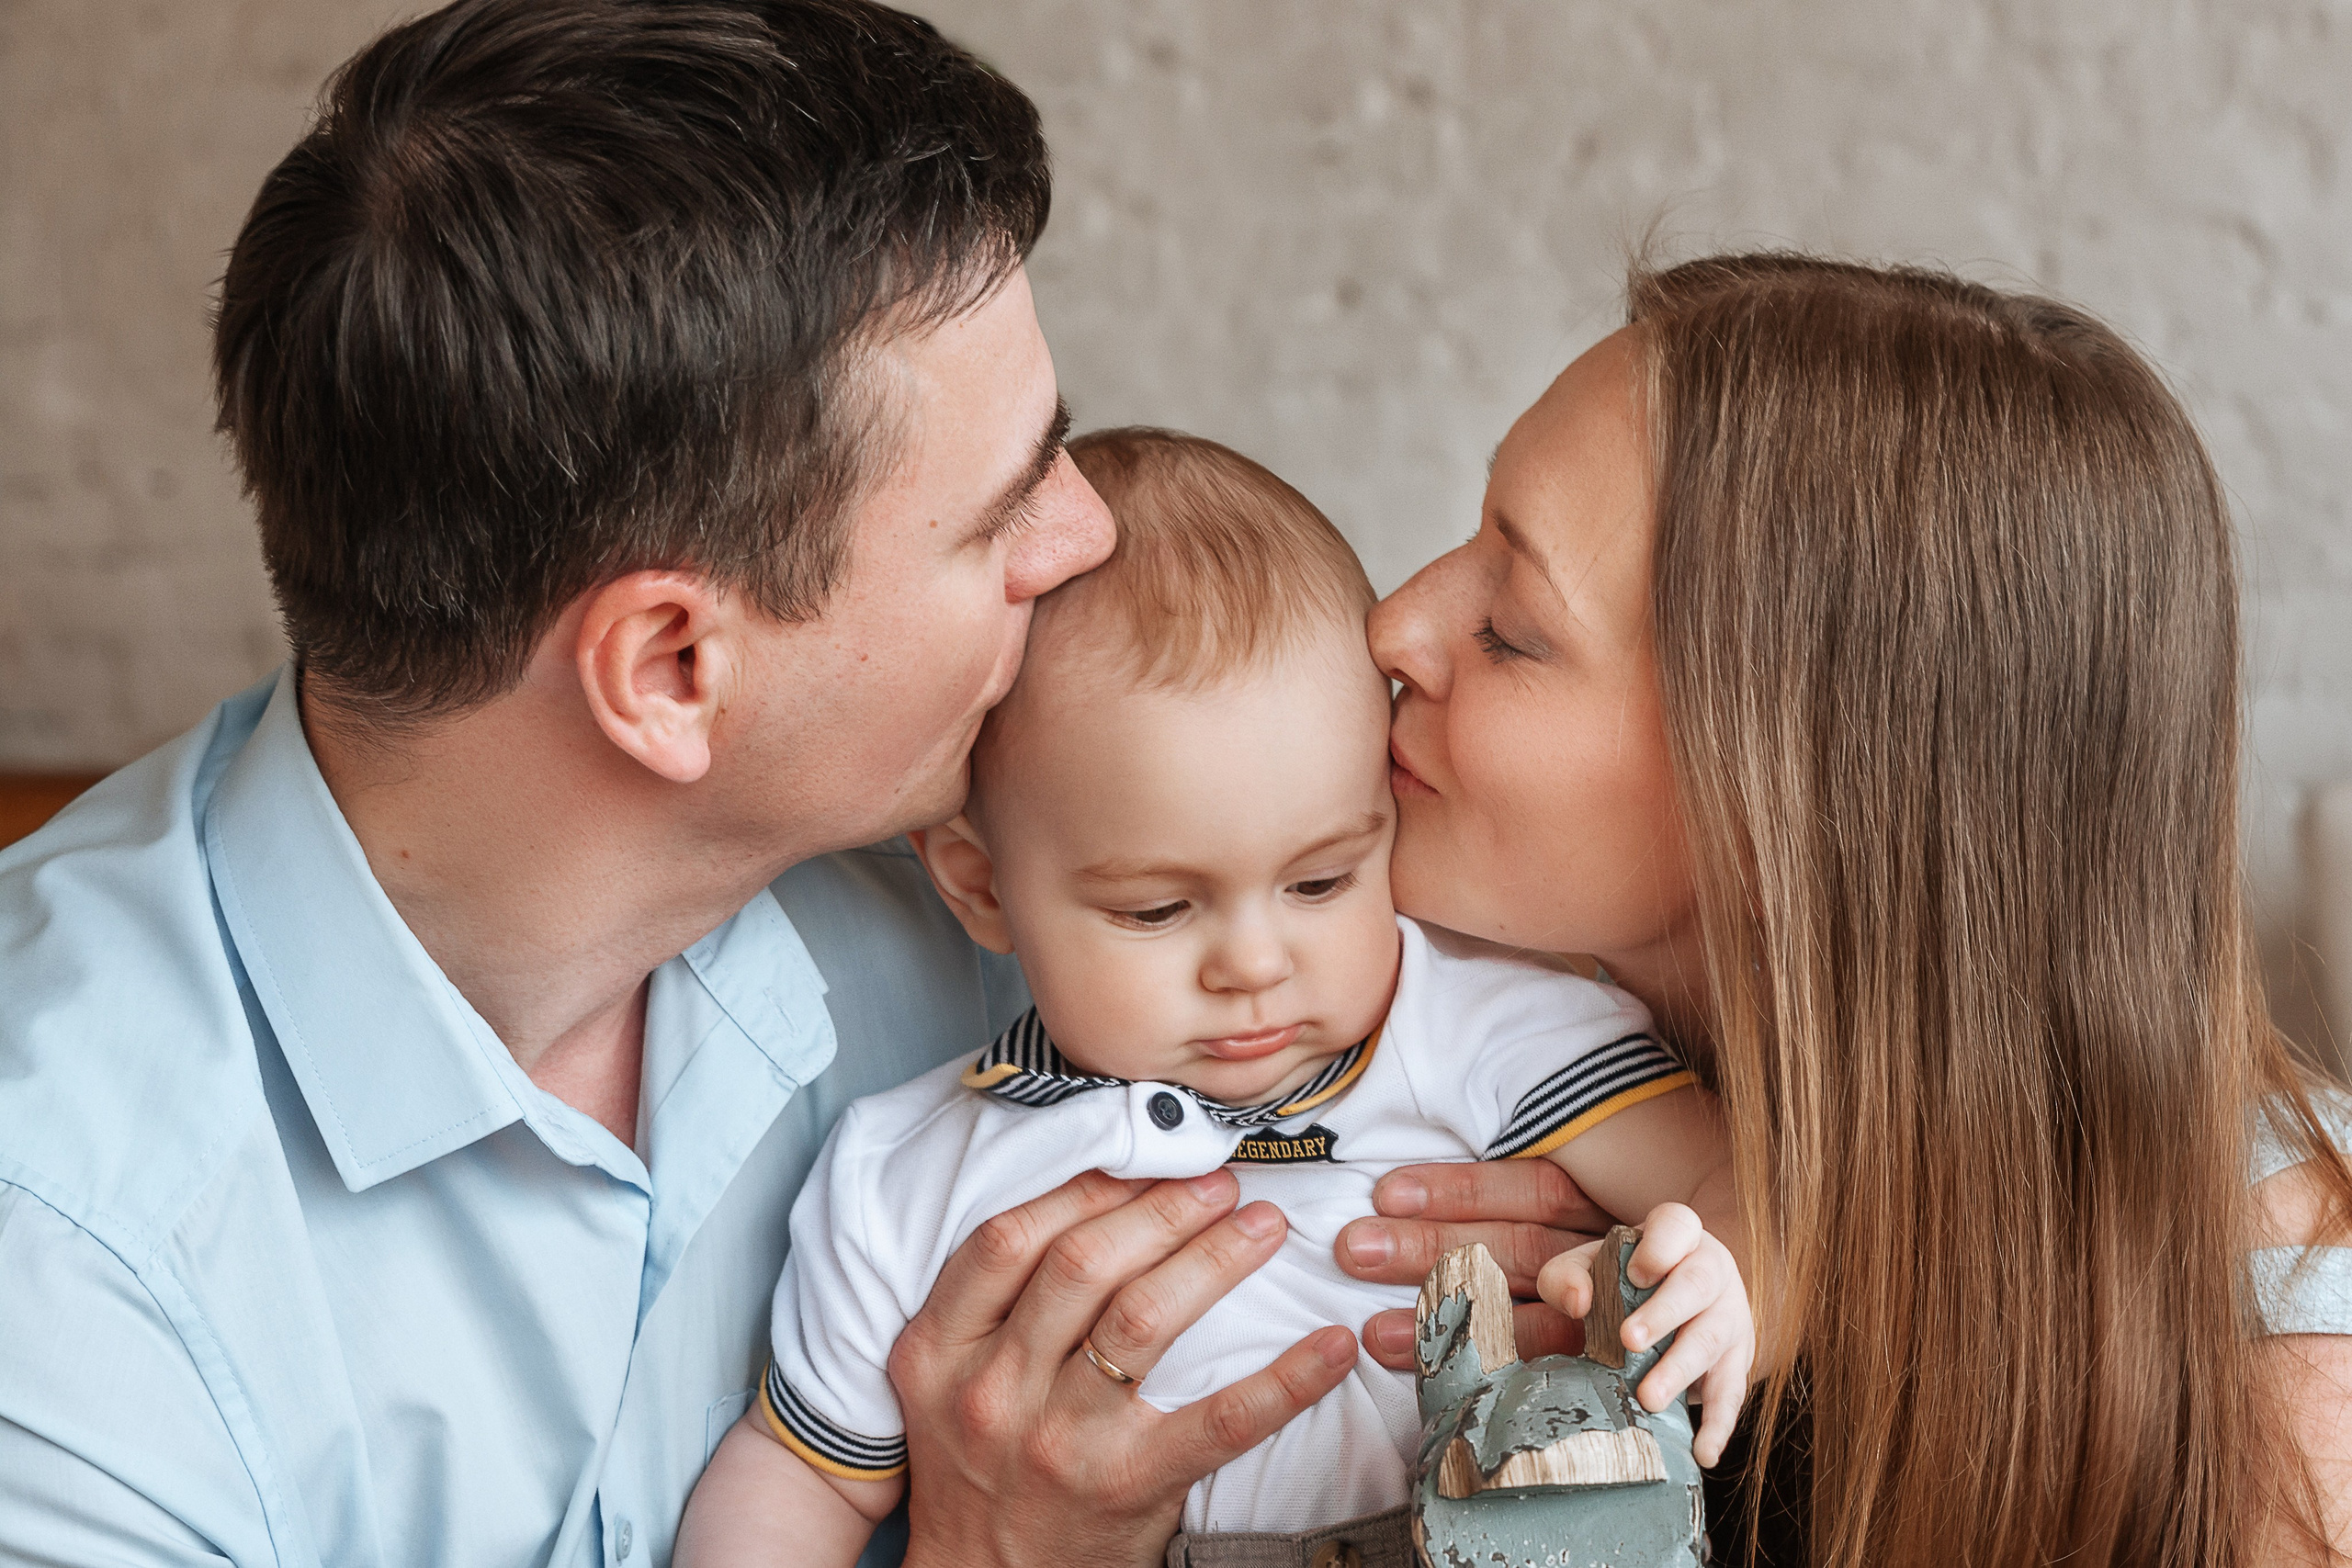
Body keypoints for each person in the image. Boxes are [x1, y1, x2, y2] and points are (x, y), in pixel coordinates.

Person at [0, 6, 1403, 1564]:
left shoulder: (1046, 899)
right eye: (1000, 508)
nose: (1082, 538)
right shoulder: (62, 1271)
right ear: (672, 668)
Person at [1353, 254, 2352, 1564]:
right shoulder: (1404, 1065)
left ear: (1790, 807)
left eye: (1514, 627)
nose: (1394, 624)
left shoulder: (2281, 1356)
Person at [672, 428, 1753, 1564]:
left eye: (1322, 880)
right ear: (980, 886)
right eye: (1156, 910)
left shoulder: (1470, 1024)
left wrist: (1703, 1285)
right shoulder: (905, 1177)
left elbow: (1736, 1187)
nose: (1253, 964)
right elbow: (798, 1477)